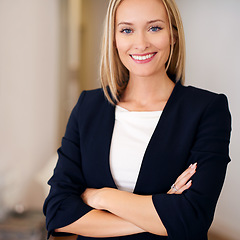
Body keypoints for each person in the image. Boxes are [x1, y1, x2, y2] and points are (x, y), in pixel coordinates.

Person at [43, 0, 232, 239]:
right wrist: (162, 213)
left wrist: (101, 197)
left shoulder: (207, 110)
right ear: (114, 39)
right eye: (126, 30)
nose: (141, 43)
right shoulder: (88, 107)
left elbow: (193, 218)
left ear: (173, 35)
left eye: (154, 28)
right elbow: (58, 212)